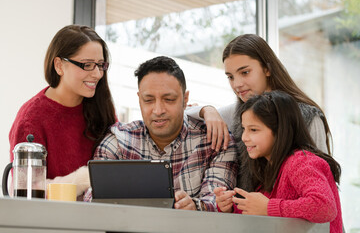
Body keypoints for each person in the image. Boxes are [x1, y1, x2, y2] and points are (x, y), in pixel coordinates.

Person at [88, 56, 238, 211]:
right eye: (148, 100)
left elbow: (219, 201)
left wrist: (196, 206)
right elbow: (92, 201)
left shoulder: (215, 141)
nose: (158, 110)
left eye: (169, 99)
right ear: (139, 99)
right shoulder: (118, 141)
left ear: (185, 99)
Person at [9, 25, 116, 197]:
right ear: (59, 65)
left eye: (100, 65)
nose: (97, 74)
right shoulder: (31, 119)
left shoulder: (101, 108)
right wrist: (84, 178)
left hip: (100, 218)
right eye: (87, 65)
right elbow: (27, 190)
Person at [214, 91, 342, 233]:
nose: (244, 137)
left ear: (280, 131)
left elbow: (325, 207)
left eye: (254, 130)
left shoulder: (302, 161)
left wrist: (268, 207)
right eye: (244, 129)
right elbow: (264, 218)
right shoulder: (270, 168)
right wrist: (230, 207)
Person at [186, 34, 332, 155]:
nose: (237, 84)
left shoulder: (307, 117)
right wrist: (207, 110)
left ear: (267, 69)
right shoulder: (235, 114)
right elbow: (181, 117)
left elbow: (325, 182)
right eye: (230, 77)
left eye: (245, 72)